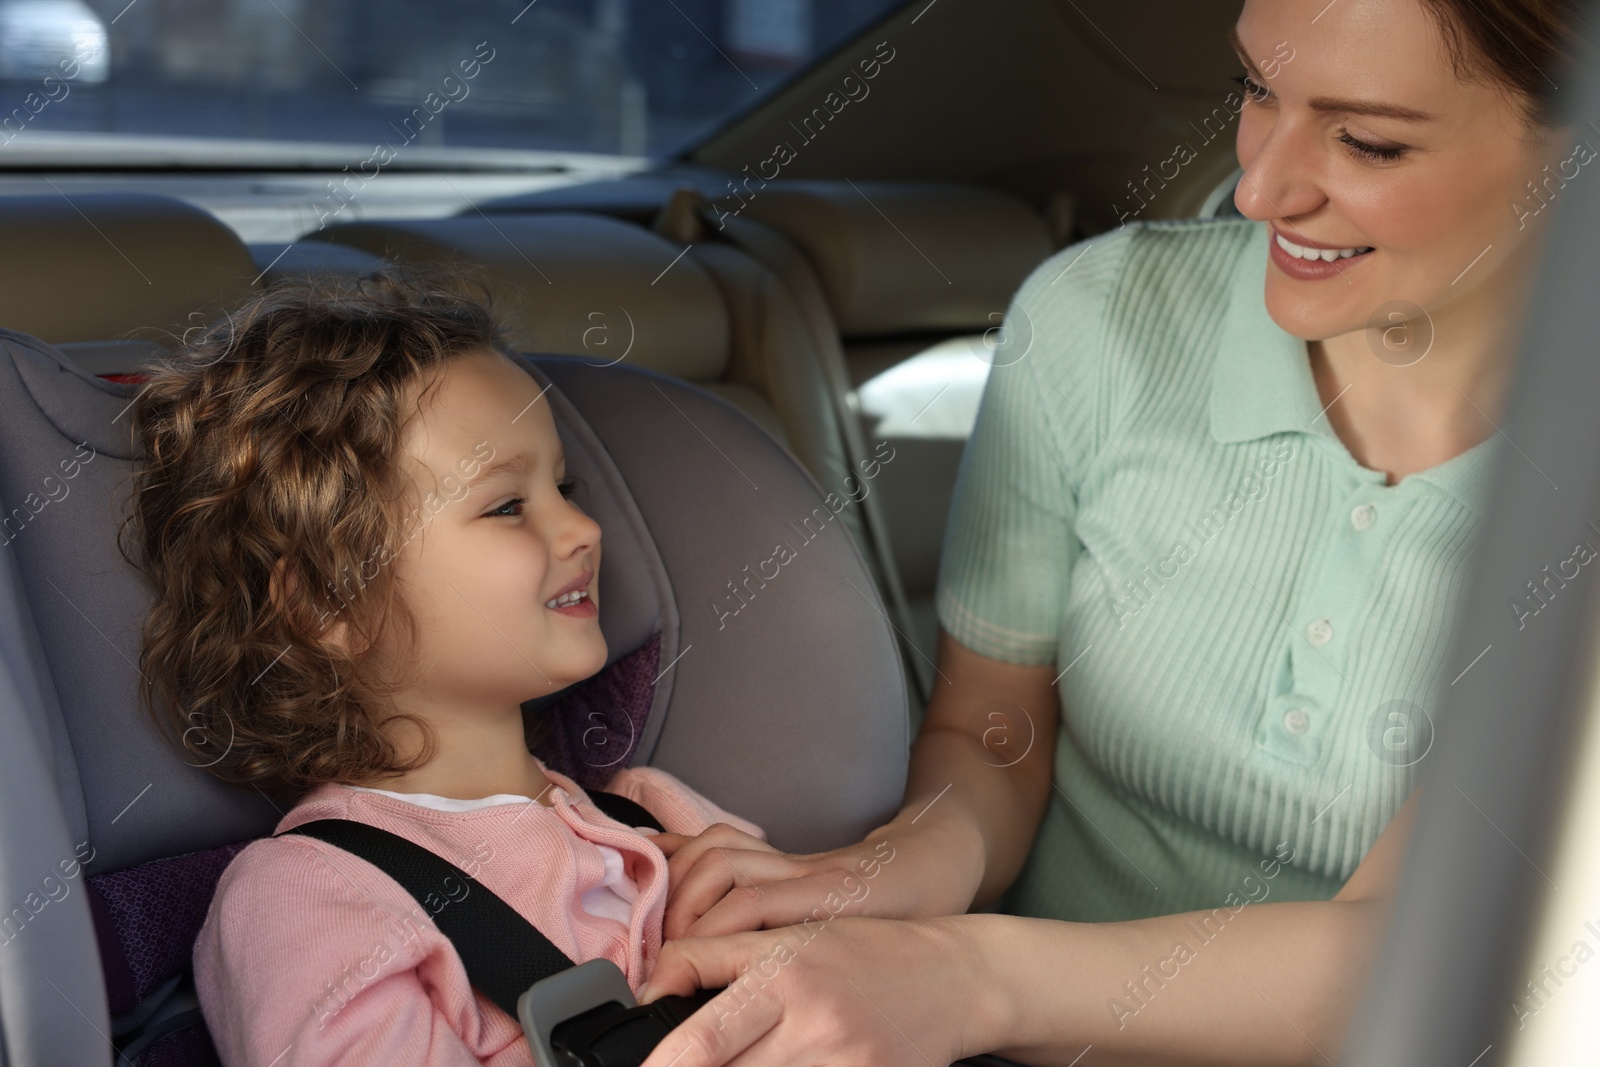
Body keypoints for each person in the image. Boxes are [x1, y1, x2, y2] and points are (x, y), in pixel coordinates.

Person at [631, 0, 1587, 1063]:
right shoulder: (1101, 317)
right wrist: (908, 859)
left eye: (1365, 140)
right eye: (1255, 92)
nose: (1259, 186)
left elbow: (1409, 951)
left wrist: (959, 975)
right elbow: (997, 727)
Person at [119, 274, 766, 1066]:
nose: (584, 528)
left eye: (563, 486)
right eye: (506, 506)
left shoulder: (657, 817)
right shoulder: (310, 899)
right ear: (332, 604)